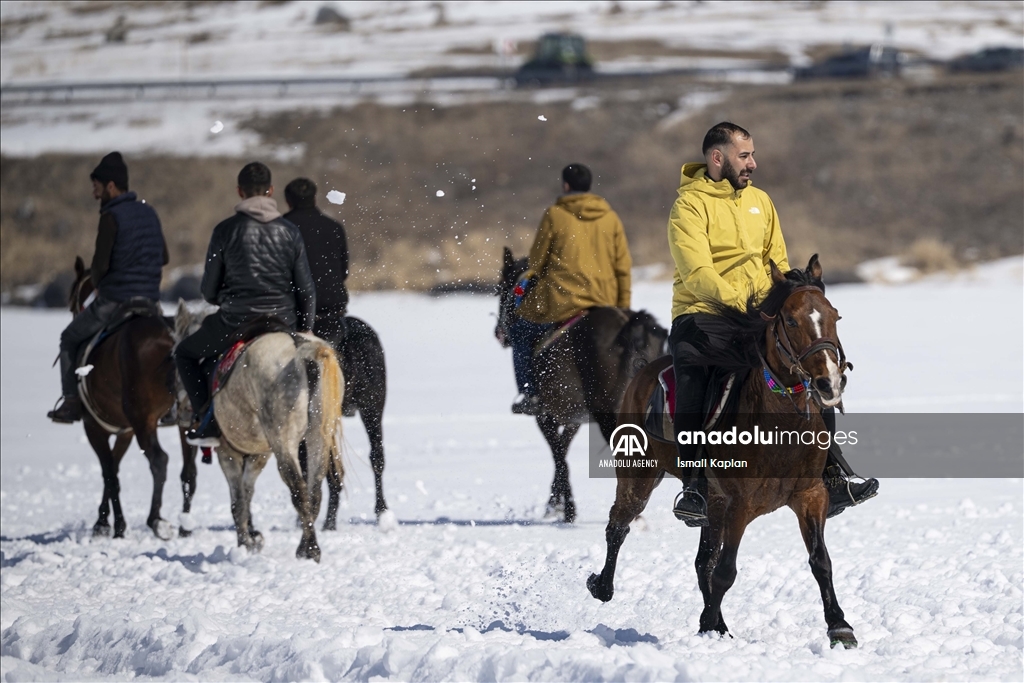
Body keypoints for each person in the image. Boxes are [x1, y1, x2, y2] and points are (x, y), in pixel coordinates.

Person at [667, 122, 878, 525]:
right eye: (743, 156)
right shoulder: (688, 206)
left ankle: (832, 475)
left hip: (759, 314)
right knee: (694, 375)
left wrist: (793, 296)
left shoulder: (760, 201)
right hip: (703, 314)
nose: (753, 163)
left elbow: (776, 263)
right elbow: (697, 274)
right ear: (717, 158)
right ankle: (693, 484)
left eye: (751, 155)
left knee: (810, 367)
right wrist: (747, 306)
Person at [175, 162, 316, 446]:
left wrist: (221, 299)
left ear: (240, 192)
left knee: (184, 354)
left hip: (235, 323)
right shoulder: (289, 231)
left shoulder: (225, 230)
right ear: (271, 191)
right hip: (281, 322)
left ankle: (207, 420)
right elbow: (307, 289)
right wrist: (304, 329)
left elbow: (208, 290)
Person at [48, 152, 168, 423]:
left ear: (111, 186)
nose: (95, 193)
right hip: (150, 301)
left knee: (68, 339)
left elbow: (100, 266)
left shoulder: (111, 216)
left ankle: (70, 402)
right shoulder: (149, 211)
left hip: (116, 300)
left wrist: (102, 285)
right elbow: (164, 257)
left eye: (97, 187)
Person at [510, 163, 632, 415]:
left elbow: (536, 262)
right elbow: (623, 267)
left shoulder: (555, 214)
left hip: (561, 300)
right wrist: (621, 308)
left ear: (566, 185)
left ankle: (530, 393)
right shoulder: (610, 217)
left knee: (520, 331)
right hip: (603, 301)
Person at [283, 177, 350, 344]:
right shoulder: (334, 227)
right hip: (332, 313)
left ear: (288, 201)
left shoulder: (280, 228)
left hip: (294, 315)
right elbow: (343, 272)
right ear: (314, 198)